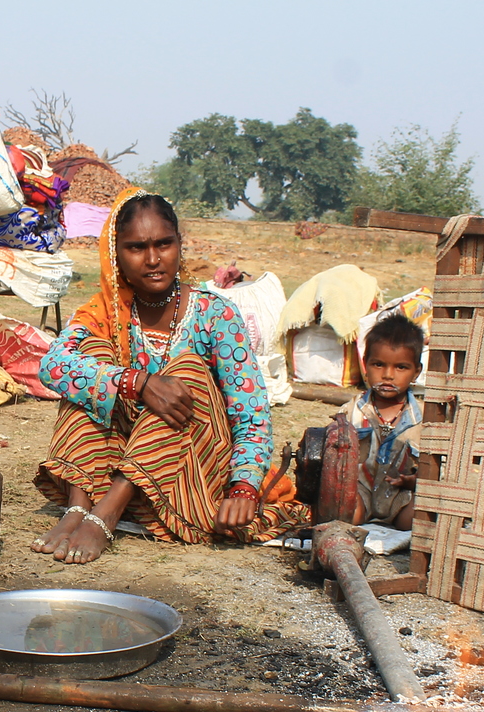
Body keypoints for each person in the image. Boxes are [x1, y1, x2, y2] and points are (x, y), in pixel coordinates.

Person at [31, 187, 306, 563]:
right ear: (116, 254)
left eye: (164, 243)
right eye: (136, 248)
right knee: (91, 355)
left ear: (180, 244)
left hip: (190, 470)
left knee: (187, 369)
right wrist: (139, 383)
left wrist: (243, 485)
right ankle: (78, 507)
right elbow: (53, 365)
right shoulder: (107, 312)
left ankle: (108, 512)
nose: (153, 259)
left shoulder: (215, 314)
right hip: (120, 460)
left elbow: (251, 414)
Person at [338, 313, 425, 530]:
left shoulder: (425, 419)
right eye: (378, 364)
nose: (388, 375)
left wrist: (413, 482)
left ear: (416, 372)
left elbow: (437, 470)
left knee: (417, 520)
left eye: (401, 367)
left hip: (401, 497)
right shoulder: (350, 412)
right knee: (346, 514)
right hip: (361, 491)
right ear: (365, 365)